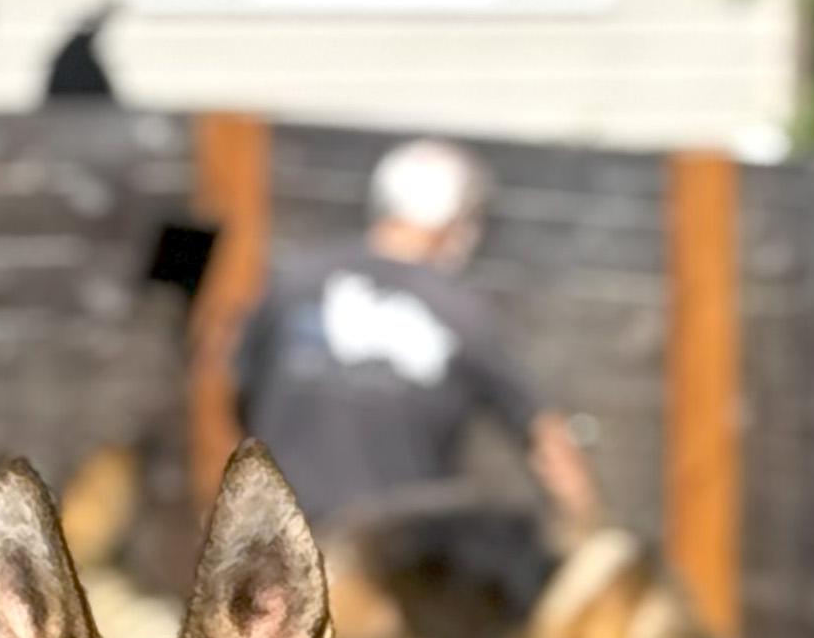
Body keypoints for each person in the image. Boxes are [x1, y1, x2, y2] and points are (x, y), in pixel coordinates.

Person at [233, 137, 602, 537]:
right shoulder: (464, 314)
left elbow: (234, 392)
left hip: (276, 539)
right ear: (456, 219)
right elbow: (546, 443)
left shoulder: (292, 283)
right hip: (398, 559)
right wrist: (588, 529)